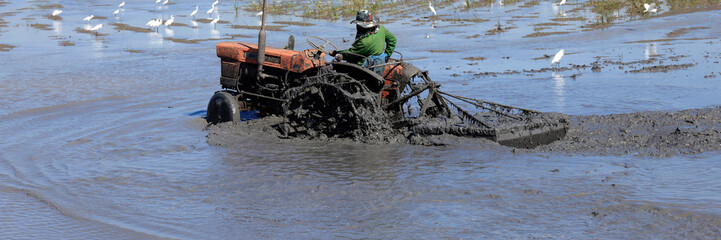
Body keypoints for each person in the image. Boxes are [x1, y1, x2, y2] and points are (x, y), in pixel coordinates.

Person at [330, 10, 396, 73]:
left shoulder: (364, 42)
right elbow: (392, 40)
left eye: (359, 25)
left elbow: (351, 54)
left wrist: (335, 53)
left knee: (329, 70)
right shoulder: (381, 28)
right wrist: (386, 56)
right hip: (379, 60)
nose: (357, 26)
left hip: (364, 67)